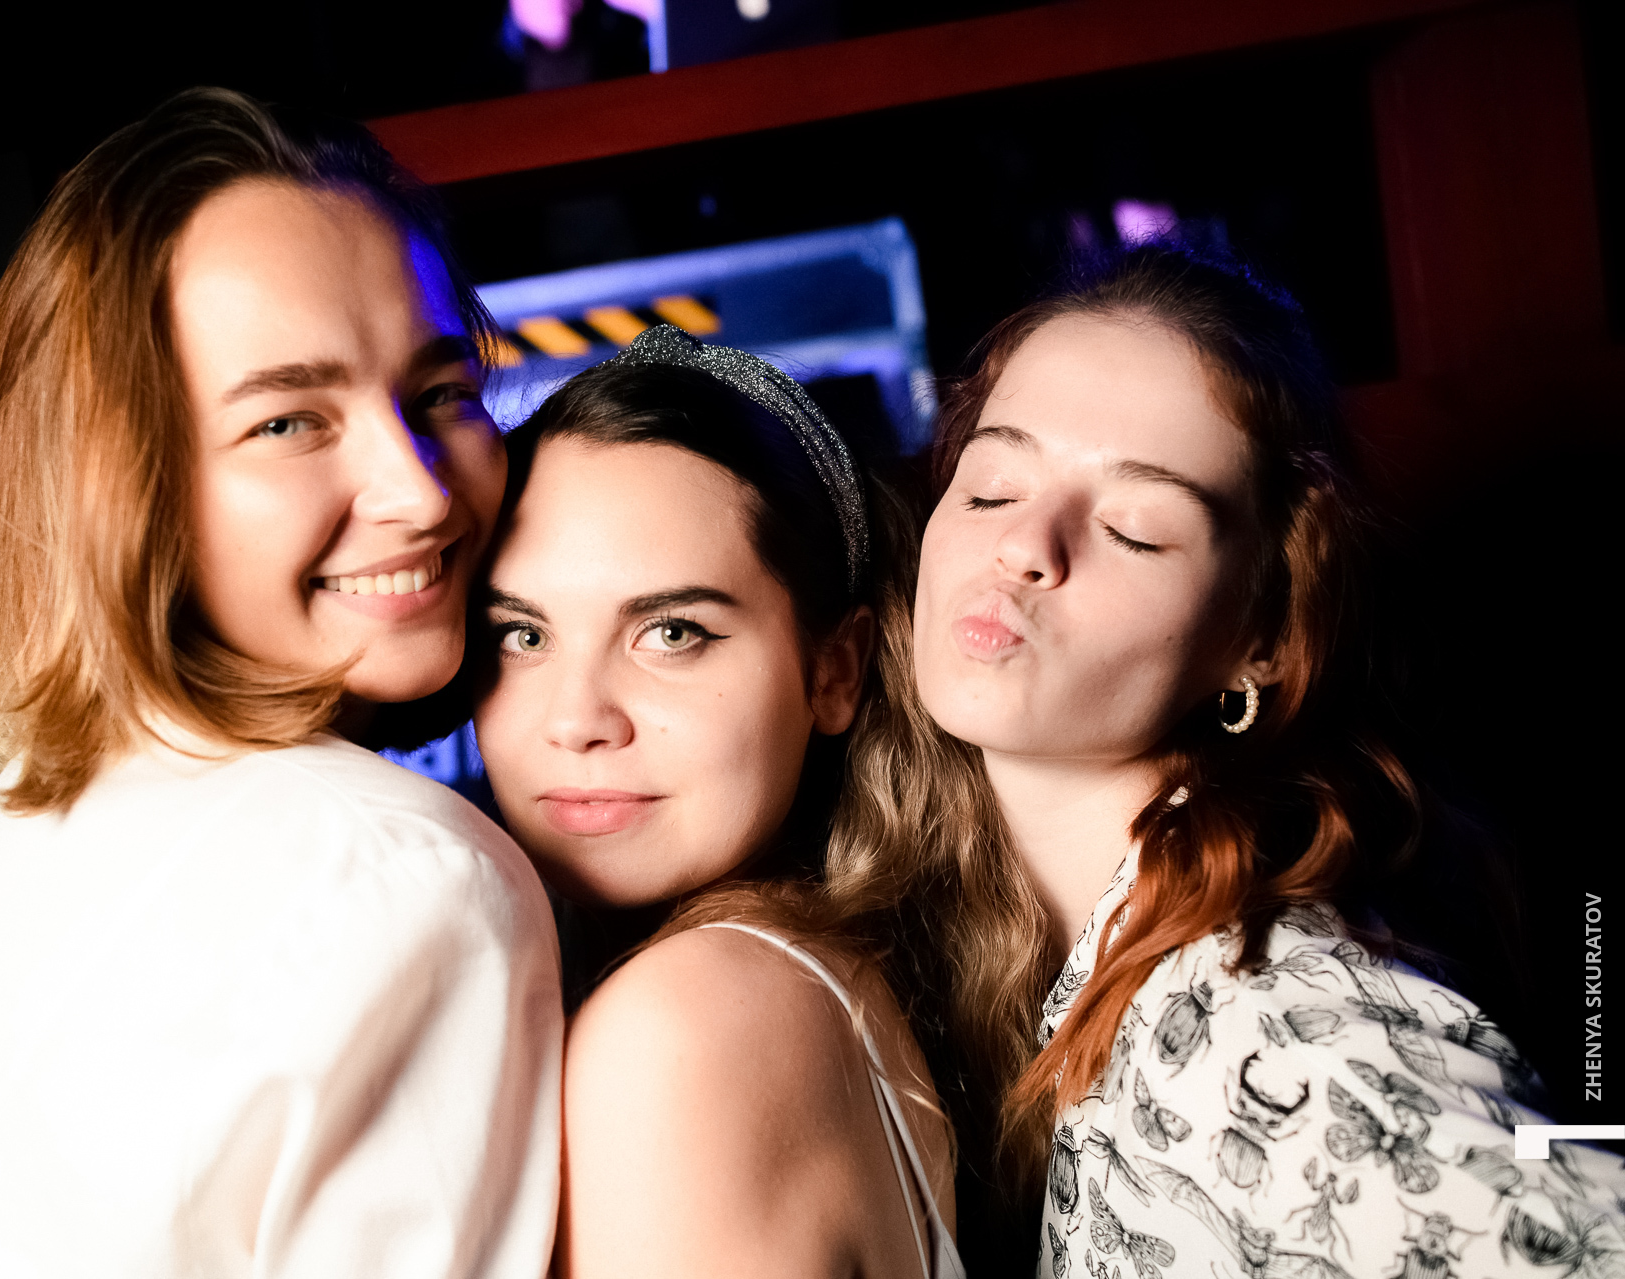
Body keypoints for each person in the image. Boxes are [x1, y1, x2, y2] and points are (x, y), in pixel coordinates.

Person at [0, 89, 562, 1278]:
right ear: (123, 483)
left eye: (442, 394)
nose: (422, 491)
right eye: (289, 422)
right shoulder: (408, 873)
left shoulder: (39, 810)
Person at [829, 243, 1622, 1275]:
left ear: (1263, 636)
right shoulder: (1062, 955)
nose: (1026, 545)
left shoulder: (1270, 1027)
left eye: (1133, 527)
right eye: (990, 486)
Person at [470, 324, 964, 1279]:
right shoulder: (801, 978)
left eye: (671, 631)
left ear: (835, 669)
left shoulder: (684, 1030)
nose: (577, 720)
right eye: (523, 635)